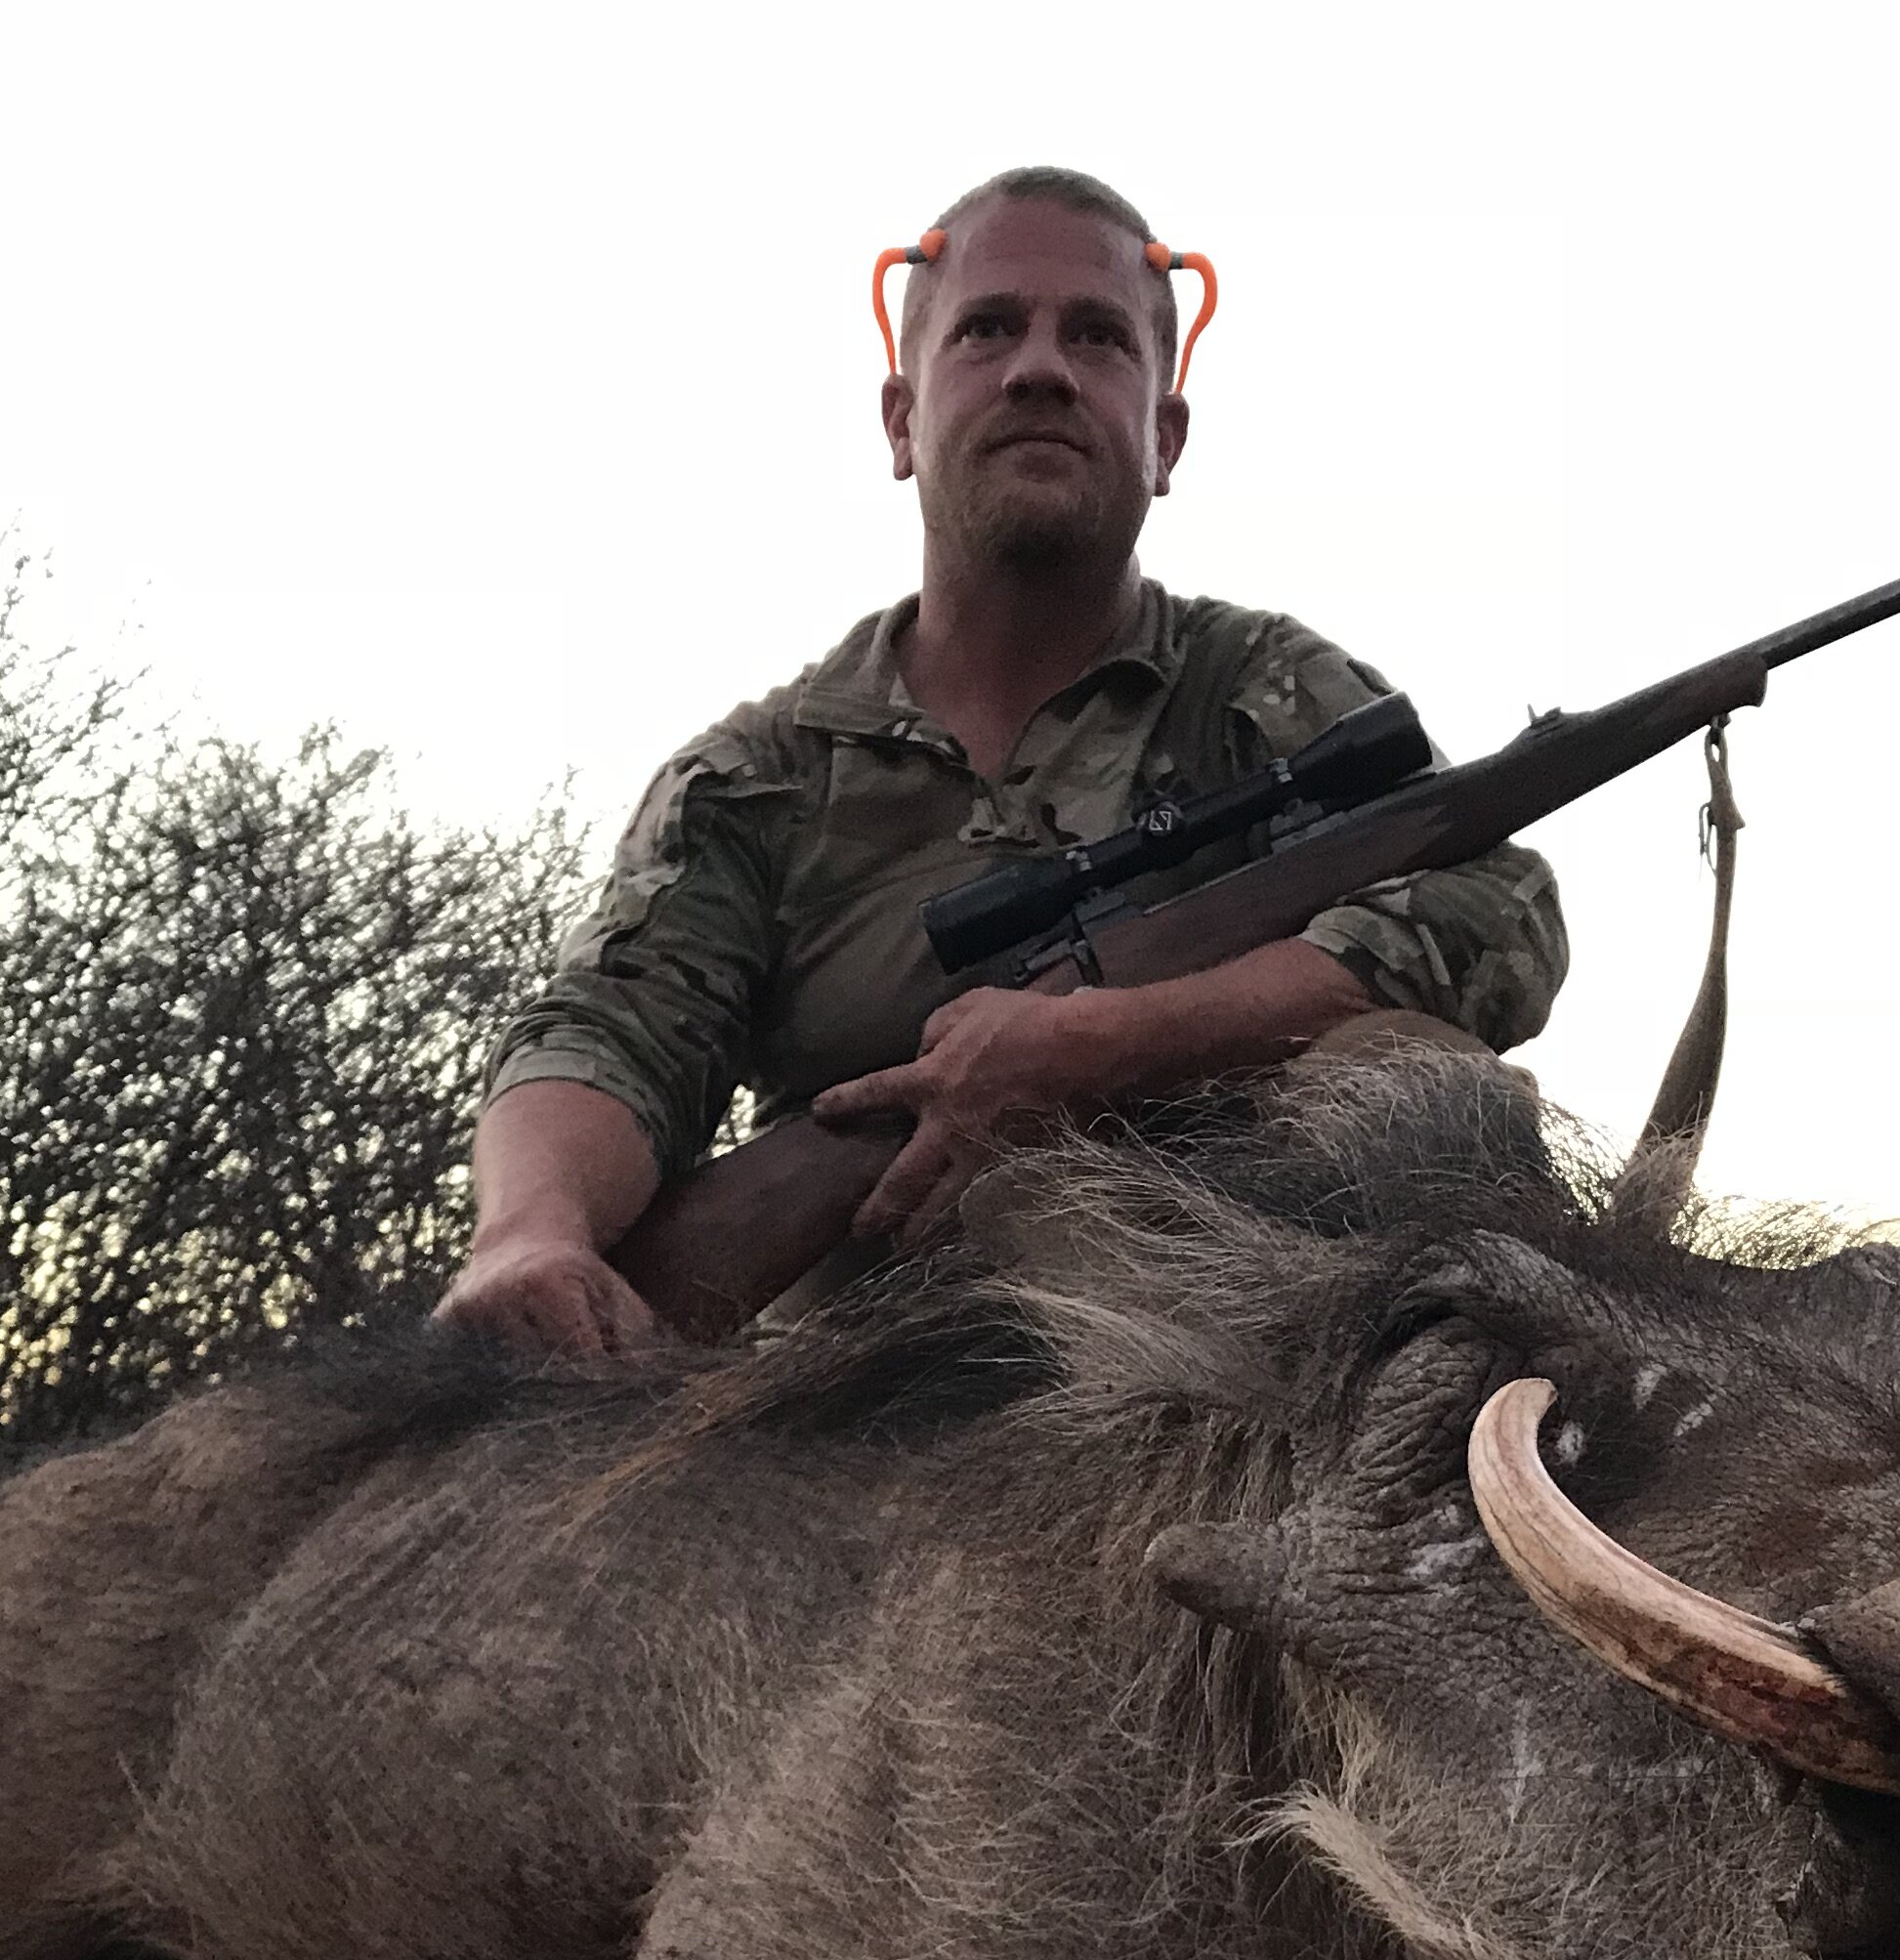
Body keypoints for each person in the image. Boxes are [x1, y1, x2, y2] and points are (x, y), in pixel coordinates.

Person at [437, 164, 1568, 1358]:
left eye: (1098, 338)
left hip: (1257, 1350)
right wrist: (526, 1231)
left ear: (1164, 438)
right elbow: (614, 1026)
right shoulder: (754, 777)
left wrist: (1111, 1041)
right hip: (854, 1385)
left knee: (1422, 1081)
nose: (1041, 368)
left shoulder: (1272, 693)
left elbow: (1493, 907)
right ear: (900, 423)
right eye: (988, 330)